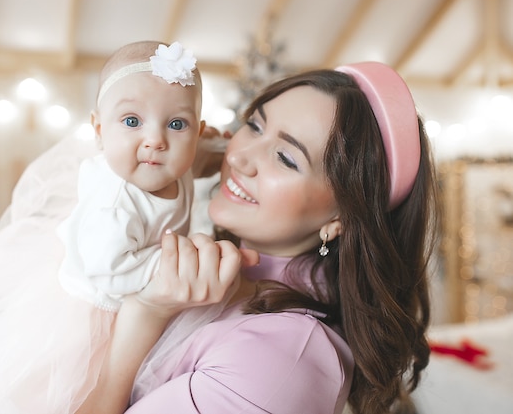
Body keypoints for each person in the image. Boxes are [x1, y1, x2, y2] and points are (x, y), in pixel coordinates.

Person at [76, 62, 440, 414]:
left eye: (285, 157)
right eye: (253, 126)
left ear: (340, 218)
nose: (239, 157)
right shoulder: (211, 263)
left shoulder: (281, 360)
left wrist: (146, 313)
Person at [0, 40, 205, 414]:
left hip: (131, 306)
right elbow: (110, 269)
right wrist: (170, 265)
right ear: (99, 130)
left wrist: (212, 150)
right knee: (66, 400)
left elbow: (192, 157)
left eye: (177, 124)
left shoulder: (171, 165)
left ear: (198, 132)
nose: (155, 140)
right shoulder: (112, 204)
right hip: (93, 316)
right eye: (132, 121)